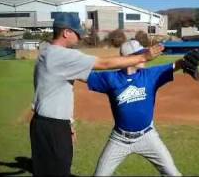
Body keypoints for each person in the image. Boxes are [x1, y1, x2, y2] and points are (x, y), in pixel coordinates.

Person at [30, 13, 163, 176]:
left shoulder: (46, 52)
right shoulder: (63, 56)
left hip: (41, 124)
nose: (79, 37)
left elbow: (54, 92)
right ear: (66, 32)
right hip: (53, 127)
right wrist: (143, 56)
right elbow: (104, 63)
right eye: (77, 33)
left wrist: (69, 123)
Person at [87, 40, 199, 176]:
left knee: (173, 174)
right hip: (119, 140)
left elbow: (174, 66)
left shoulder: (150, 75)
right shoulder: (111, 78)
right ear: (128, 58)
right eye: (140, 54)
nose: (144, 57)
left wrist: (184, 61)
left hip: (147, 136)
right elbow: (83, 74)